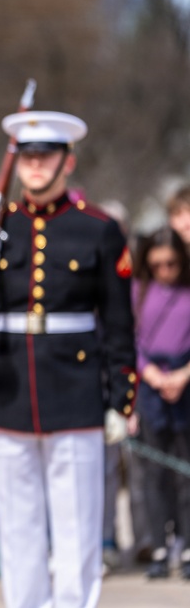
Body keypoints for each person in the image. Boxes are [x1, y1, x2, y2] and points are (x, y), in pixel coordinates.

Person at [0, 111, 136, 608]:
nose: (35, 165)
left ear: (67, 162)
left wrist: (121, 400)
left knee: (77, 524)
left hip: (75, 391)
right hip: (8, 388)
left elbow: (119, 325)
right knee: (18, 525)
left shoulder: (98, 229)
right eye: (27, 156)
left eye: (46, 155)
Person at [130, 228, 190, 580]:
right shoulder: (138, 291)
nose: (165, 271)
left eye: (172, 264)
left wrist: (183, 375)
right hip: (151, 386)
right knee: (154, 473)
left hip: (184, 383)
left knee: (184, 471)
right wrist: (151, 374)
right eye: (157, 265)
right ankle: (158, 546)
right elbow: (127, 339)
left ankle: (187, 544)